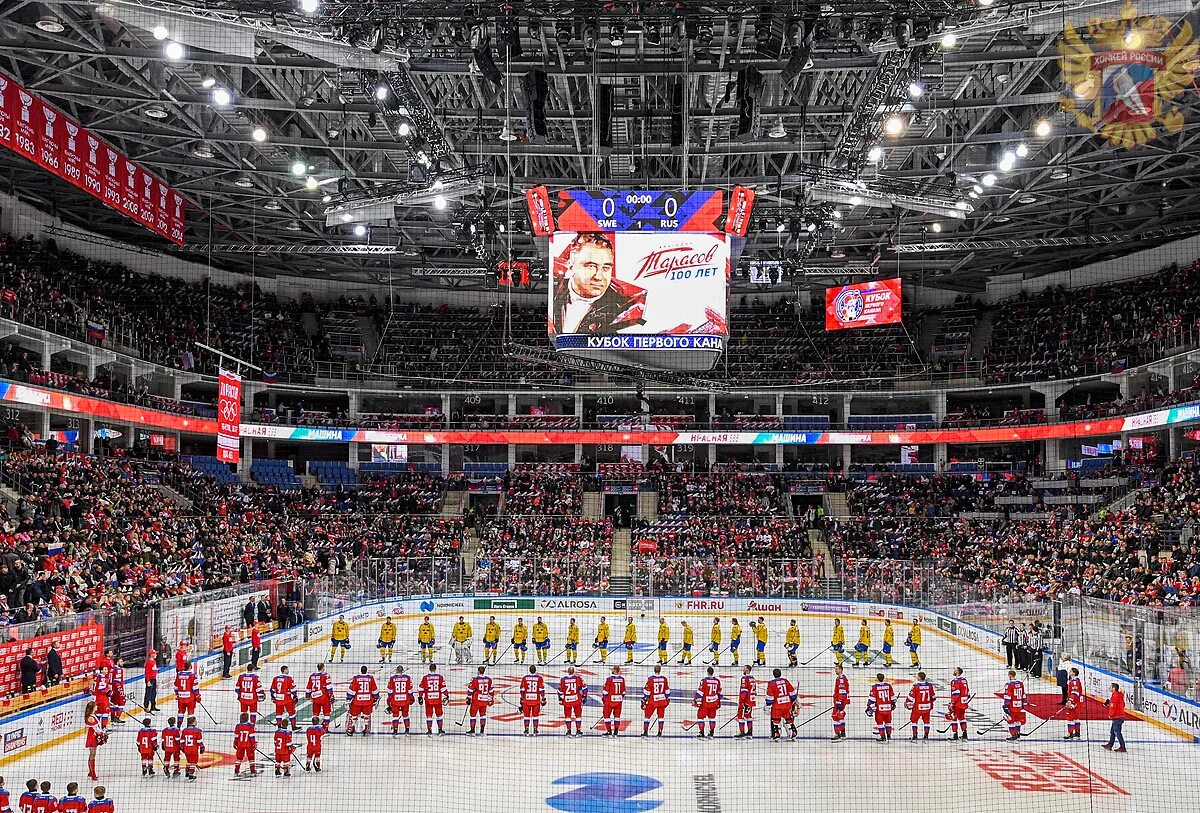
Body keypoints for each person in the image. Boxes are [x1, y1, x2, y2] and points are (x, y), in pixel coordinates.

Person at [549, 232, 646, 336]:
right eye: (590, 266)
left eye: (606, 268)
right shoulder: (553, 289)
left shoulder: (628, 307)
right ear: (571, 265)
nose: (598, 276)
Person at [345, 665, 378, 737]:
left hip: (357, 701)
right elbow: (375, 690)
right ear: (366, 670)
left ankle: (352, 729)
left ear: (361, 670)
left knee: (354, 715)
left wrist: (349, 698)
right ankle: (366, 729)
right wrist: (375, 698)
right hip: (368, 700)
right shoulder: (371, 678)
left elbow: (351, 691)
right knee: (367, 715)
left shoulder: (356, 678)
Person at [765, 668, 798, 741]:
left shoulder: (771, 683)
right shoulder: (785, 681)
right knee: (788, 719)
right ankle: (793, 732)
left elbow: (770, 698)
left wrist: (768, 705)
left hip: (778, 705)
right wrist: (793, 701)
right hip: (787, 704)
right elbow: (792, 693)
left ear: (773, 674)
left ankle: (777, 734)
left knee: (776, 721)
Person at [417, 662, 447, 736]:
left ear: (429, 669)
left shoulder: (425, 678)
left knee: (429, 715)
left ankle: (429, 730)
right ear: (435, 669)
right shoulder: (440, 677)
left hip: (428, 699)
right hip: (437, 699)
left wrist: (420, 697)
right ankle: (440, 730)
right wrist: (447, 695)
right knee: (439, 714)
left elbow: (421, 688)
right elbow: (443, 689)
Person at [641, 664, 670, 737]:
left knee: (647, 716)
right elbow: (667, 692)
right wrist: (665, 698)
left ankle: (645, 732)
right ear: (660, 670)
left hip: (652, 701)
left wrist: (645, 699)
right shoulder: (664, 679)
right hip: (662, 700)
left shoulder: (650, 679)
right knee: (661, 717)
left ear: (654, 670)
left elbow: (646, 692)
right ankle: (660, 732)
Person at [557, 666, 586, 737]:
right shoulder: (578, 678)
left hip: (567, 700)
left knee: (567, 716)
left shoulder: (563, 679)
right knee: (578, 716)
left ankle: (568, 731)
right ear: (574, 671)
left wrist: (560, 699)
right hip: (576, 699)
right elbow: (585, 688)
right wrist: (584, 696)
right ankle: (578, 730)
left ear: (568, 671)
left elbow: (559, 691)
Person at [693, 667, 722, 739]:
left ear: (707, 672)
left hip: (705, 703)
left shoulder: (704, 680)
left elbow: (700, 692)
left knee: (700, 717)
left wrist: (695, 699)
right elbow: (720, 694)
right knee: (712, 718)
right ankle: (711, 732)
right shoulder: (717, 681)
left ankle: (701, 732)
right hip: (714, 702)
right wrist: (718, 701)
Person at [906, 671, 937, 740]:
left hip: (918, 708)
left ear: (919, 678)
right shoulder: (929, 686)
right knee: (927, 722)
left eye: (917, 676)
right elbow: (934, 697)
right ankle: (926, 735)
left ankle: (915, 735)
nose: (916, 676)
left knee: (914, 721)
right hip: (927, 708)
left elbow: (911, 698)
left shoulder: (916, 686)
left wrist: (907, 703)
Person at [466, 666, 495, 737]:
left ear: (478, 671)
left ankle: (472, 730)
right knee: (483, 715)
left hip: (476, 700)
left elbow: (470, 690)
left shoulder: (474, 679)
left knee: (473, 715)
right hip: (484, 700)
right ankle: (482, 731)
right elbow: (491, 691)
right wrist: (491, 698)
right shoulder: (489, 680)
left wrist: (468, 697)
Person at [868, 673, 895, 742]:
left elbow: (872, 699)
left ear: (877, 679)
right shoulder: (888, 686)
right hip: (888, 707)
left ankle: (883, 737)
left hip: (880, 708)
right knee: (888, 722)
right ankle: (889, 736)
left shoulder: (874, 687)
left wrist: (870, 707)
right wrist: (893, 704)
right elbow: (892, 697)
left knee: (879, 723)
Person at [83, 700, 106, 781]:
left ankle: (90, 772)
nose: (97, 707)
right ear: (92, 707)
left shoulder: (92, 715)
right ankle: (93, 774)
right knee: (92, 755)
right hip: (92, 737)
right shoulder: (91, 718)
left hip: (93, 736)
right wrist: (102, 734)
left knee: (92, 754)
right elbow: (96, 729)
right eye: (96, 706)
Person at [520, 665, 546, 736]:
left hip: (526, 700)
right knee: (535, 716)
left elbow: (522, 690)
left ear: (529, 670)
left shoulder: (525, 678)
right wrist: (543, 698)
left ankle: (526, 730)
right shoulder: (539, 678)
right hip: (536, 700)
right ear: (535, 670)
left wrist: (522, 698)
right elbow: (541, 689)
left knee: (526, 716)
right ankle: (535, 730)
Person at [1002, 670, 1028, 741]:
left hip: (1012, 706)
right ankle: (1017, 734)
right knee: (1017, 720)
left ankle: (1013, 735)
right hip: (1019, 705)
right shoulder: (1020, 683)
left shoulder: (1009, 684)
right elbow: (1023, 695)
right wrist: (1023, 704)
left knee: (1011, 721)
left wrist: (1005, 705)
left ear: (1010, 675)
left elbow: (1008, 696)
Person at [601, 666, 625, 737]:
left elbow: (605, 691)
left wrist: (604, 699)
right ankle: (616, 732)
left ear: (615, 670)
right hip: (619, 700)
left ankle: (609, 731)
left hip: (610, 700)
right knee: (617, 716)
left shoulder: (609, 679)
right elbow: (623, 692)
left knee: (606, 716)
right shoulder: (622, 679)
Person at [307, 664, 333, 731]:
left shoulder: (312, 676)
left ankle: (314, 727)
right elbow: (329, 687)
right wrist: (331, 696)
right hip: (324, 697)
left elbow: (309, 687)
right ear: (323, 667)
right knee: (327, 713)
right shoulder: (326, 675)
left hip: (315, 697)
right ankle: (325, 728)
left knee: (315, 713)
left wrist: (307, 695)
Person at [271, 665, 297, 730]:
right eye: (287, 669)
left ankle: (279, 726)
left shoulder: (275, 678)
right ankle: (293, 726)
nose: (288, 670)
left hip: (278, 698)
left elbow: (272, 690)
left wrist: (273, 696)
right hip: (287, 699)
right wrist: (295, 696)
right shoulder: (289, 678)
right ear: (285, 670)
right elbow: (293, 689)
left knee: (278, 713)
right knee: (292, 712)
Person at [1102, 683, 1127, 752]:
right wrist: (1109, 703)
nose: (1109, 688)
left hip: (1117, 717)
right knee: (1112, 732)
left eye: (1110, 687)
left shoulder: (1115, 696)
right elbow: (1121, 704)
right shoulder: (1119, 695)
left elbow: (1113, 707)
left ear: (1113, 688)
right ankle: (1110, 745)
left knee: (1117, 732)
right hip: (1119, 716)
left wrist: (1110, 715)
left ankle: (1122, 747)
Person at [948, 666, 971, 740]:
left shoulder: (955, 681)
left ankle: (955, 735)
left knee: (954, 718)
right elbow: (968, 693)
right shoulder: (964, 680)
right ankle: (965, 734)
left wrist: (952, 703)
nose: (953, 671)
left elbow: (956, 694)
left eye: (955, 670)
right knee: (962, 718)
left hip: (957, 703)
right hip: (964, 703)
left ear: (957, 672)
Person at [736, 665, 757, 740]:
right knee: (748, 716)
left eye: (744, 669)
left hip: (745, 700)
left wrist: (741, 701)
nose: (743, 670)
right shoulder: (753, 679)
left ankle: (742, 732)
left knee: (740, 716)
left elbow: (744, 691)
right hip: (751, 700)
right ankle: (750, 732)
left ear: (747, 670)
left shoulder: (744, 679)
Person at [180, 716, 204, 782]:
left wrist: (182, 747)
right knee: (193, 762)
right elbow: (199, 741)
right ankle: (191, 775)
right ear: (193, 722)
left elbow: (182, 741)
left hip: (186, 749)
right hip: (193, 749)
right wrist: (202, 747)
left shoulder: (184, 730)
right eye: (195, 721)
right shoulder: (197, 731)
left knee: (188, 761)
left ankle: (187, 772)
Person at [232, 713, 257, 777]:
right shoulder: (251, 725)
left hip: (240, 745)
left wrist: (235, 742)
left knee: (239, 758)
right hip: (248, 745)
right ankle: (253, 771)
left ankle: (236, 770)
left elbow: (236, 736)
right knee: (251, 758)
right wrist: (254, 743)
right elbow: (251, 736)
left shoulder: (238, 726)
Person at [1064, 667, 1084, 740]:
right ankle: (1077, 732)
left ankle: (1070, 733)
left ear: (1074, 673)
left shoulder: (1074, 682)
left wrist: (1070, 701)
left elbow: (1075, 693)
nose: (1069, 672)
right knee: (1076, 717)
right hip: (1077, 702)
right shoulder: (1074, 681)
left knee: (1070, 718)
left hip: (1074, 702)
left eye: (1070, 671)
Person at [831, 664, 850, 741]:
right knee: (840, 716)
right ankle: (843, 733)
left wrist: (839, 700)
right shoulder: (840, 678)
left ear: (841, 670)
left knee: (835, 716)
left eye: (837, 669)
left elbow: (842, 691)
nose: (835, 671)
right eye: (835, 669)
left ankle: (837, 734)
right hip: (841, 700)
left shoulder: (841, 679)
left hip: (840, 700)